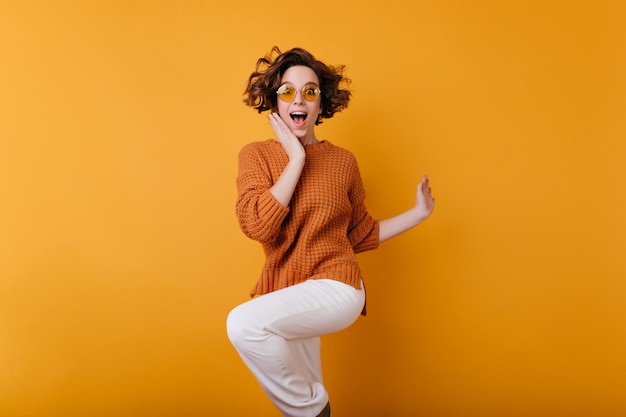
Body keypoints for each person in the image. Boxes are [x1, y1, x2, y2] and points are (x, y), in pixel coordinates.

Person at [226, 46, 435, 417]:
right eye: (287, 91)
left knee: (244, 323)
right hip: (289, 289)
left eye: (310, 91)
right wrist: (296, 161)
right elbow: (258, 225)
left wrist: (417, 215)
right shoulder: (255, 155)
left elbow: (358, 234)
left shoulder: (343, 162)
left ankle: (314, 408)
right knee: (301, 381)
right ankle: (312, 410)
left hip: (337, 286)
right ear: (274, 102)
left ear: (321, 103)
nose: (299, 99)